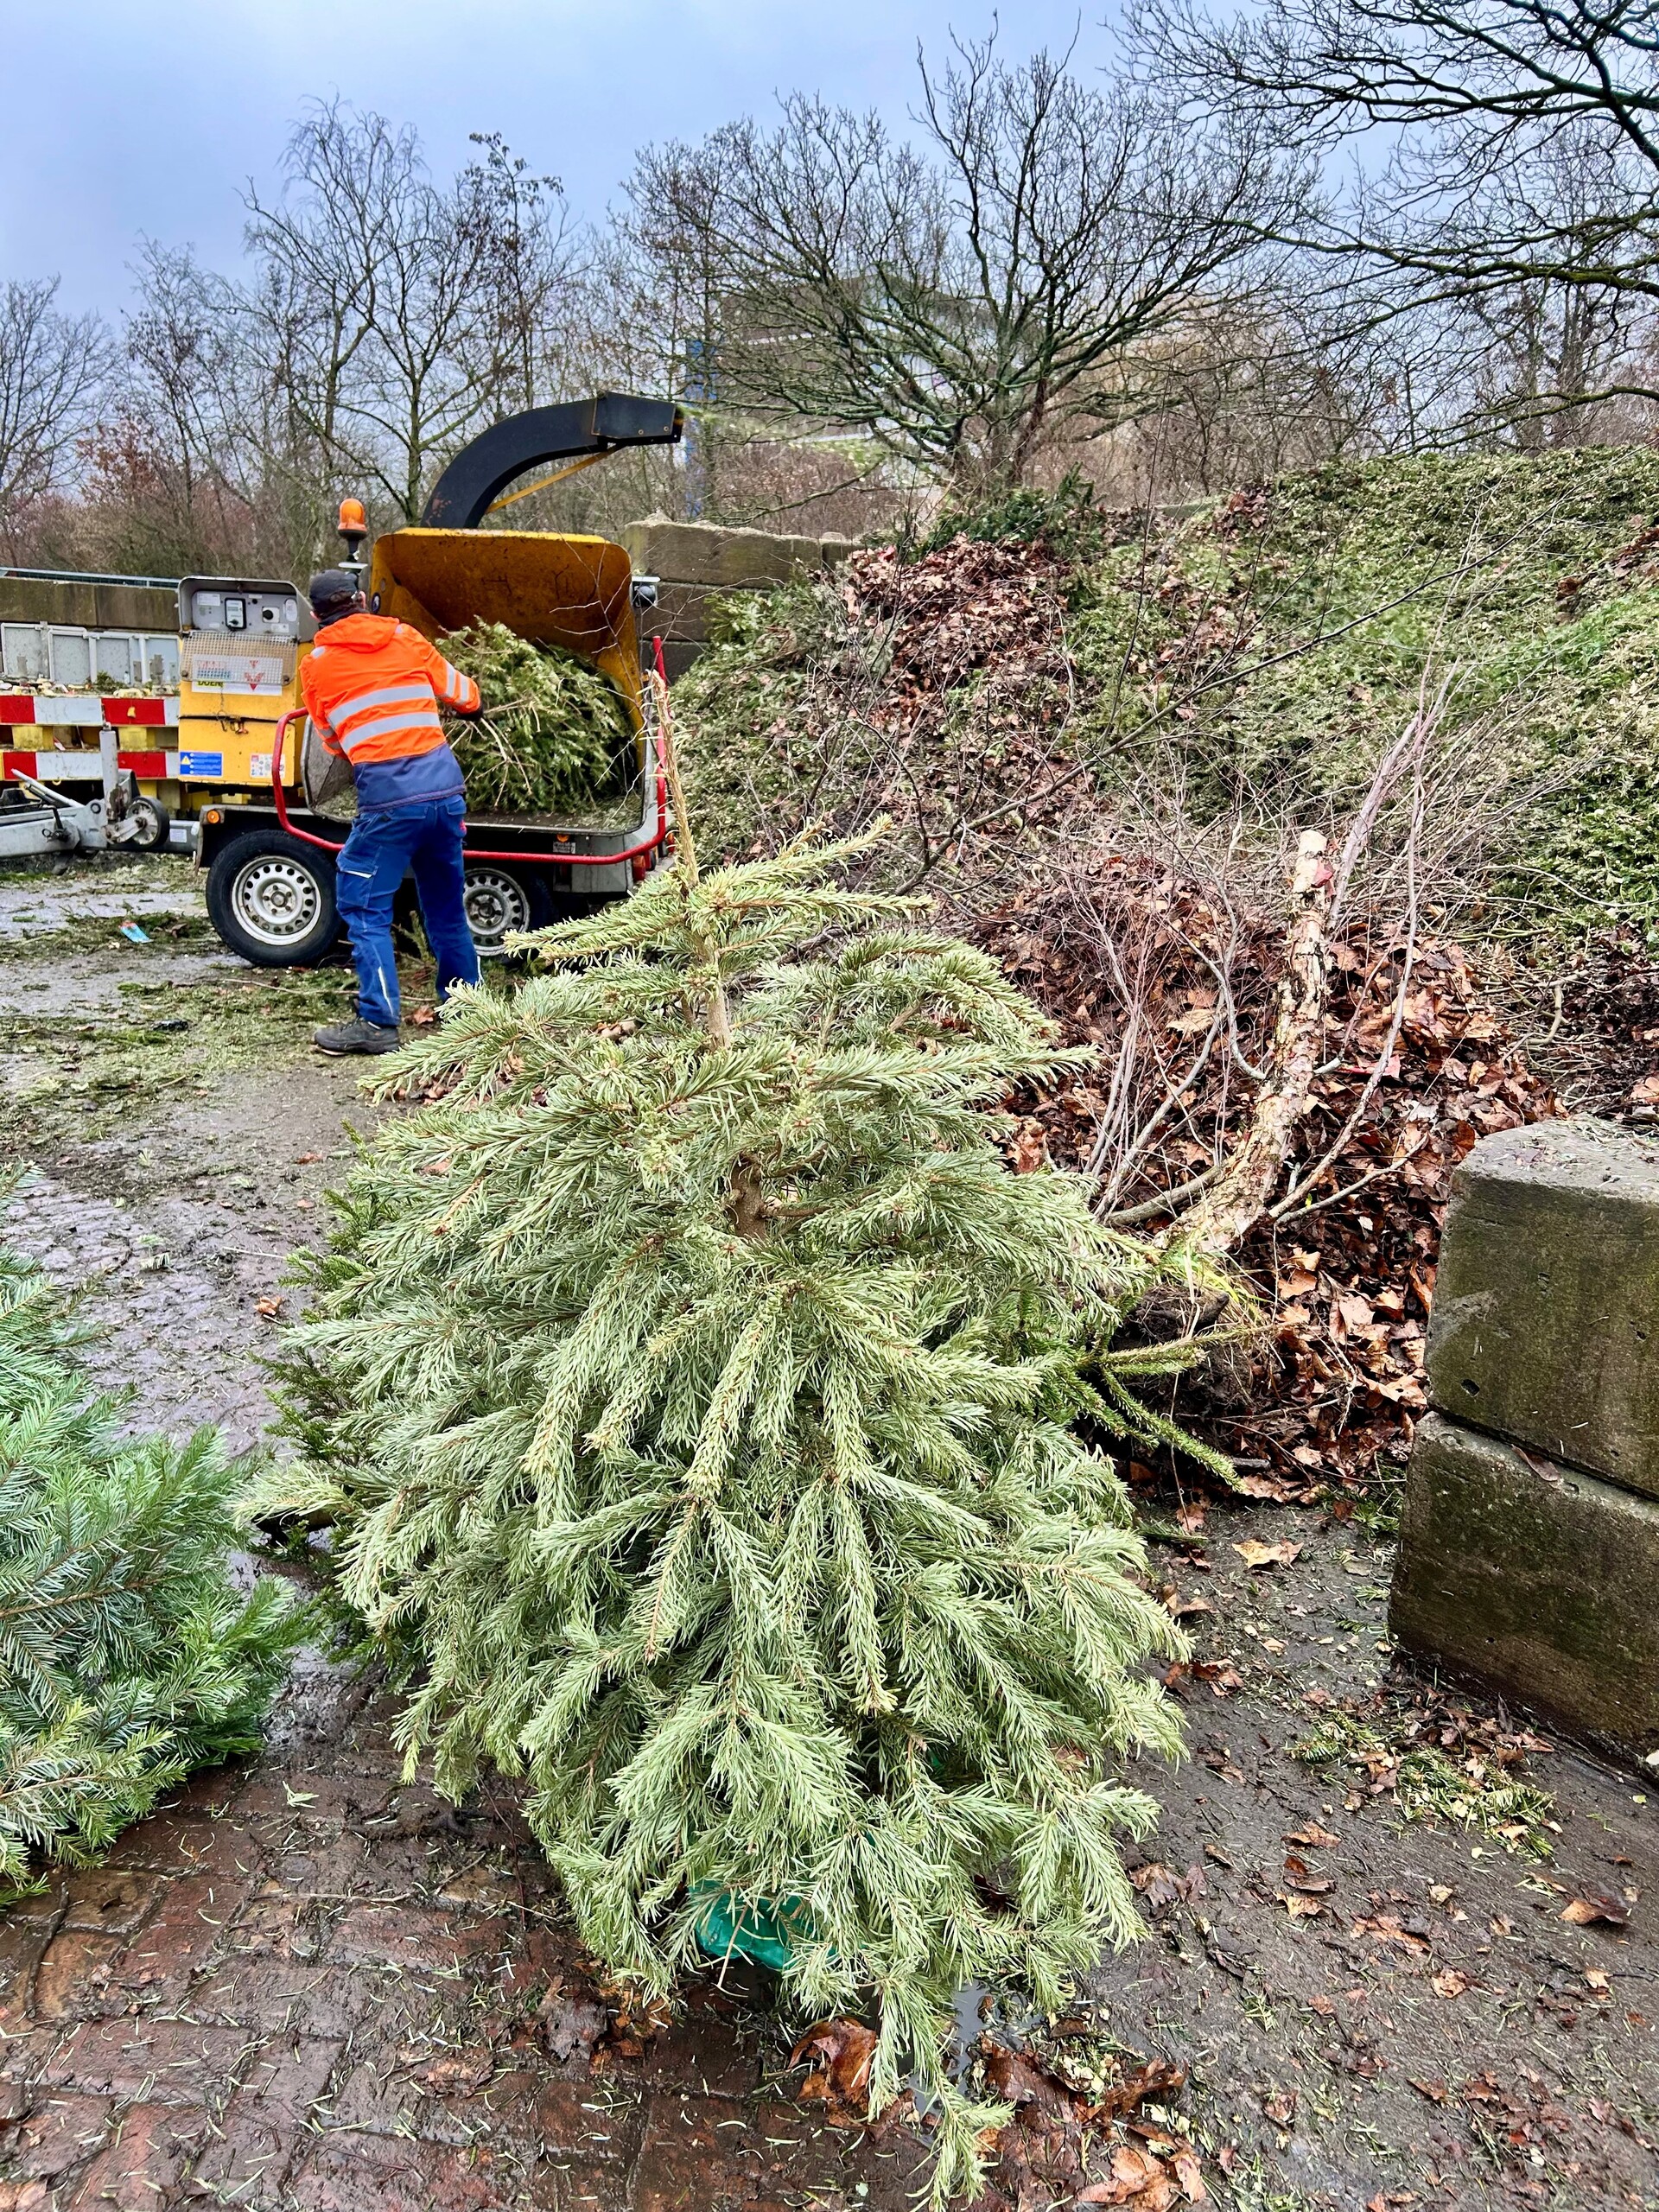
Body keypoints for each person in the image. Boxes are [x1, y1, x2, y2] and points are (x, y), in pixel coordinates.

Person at [298, 569, 483, 1056]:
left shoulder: (315, 666)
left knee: (363, 904)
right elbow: (466, 695)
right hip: (444, 793)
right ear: (362, 600)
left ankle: (378, 1021)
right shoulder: (405, 637)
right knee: (446, 906)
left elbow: (332, 742)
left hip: (388, 800)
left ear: (316, 616)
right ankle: (469, 1013)